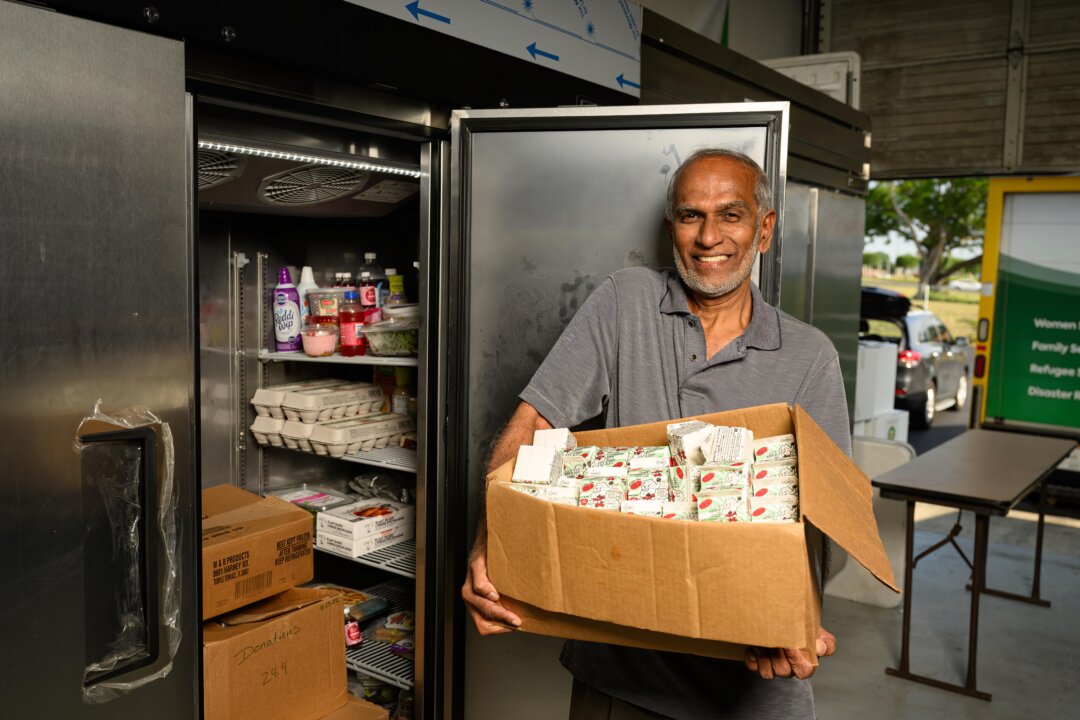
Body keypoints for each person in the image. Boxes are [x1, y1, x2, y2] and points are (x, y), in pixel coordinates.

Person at [461, 148, 848, 719]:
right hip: (622, 673)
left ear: (764, 230)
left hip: (749, 685)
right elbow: (535, 421)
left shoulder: (808, 357)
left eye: (731, 215)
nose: (708, 237)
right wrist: (491, 545)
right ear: (672, 229)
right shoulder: (626, 301)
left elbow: (827, 520)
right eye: (691, 216)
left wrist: (793, 614)